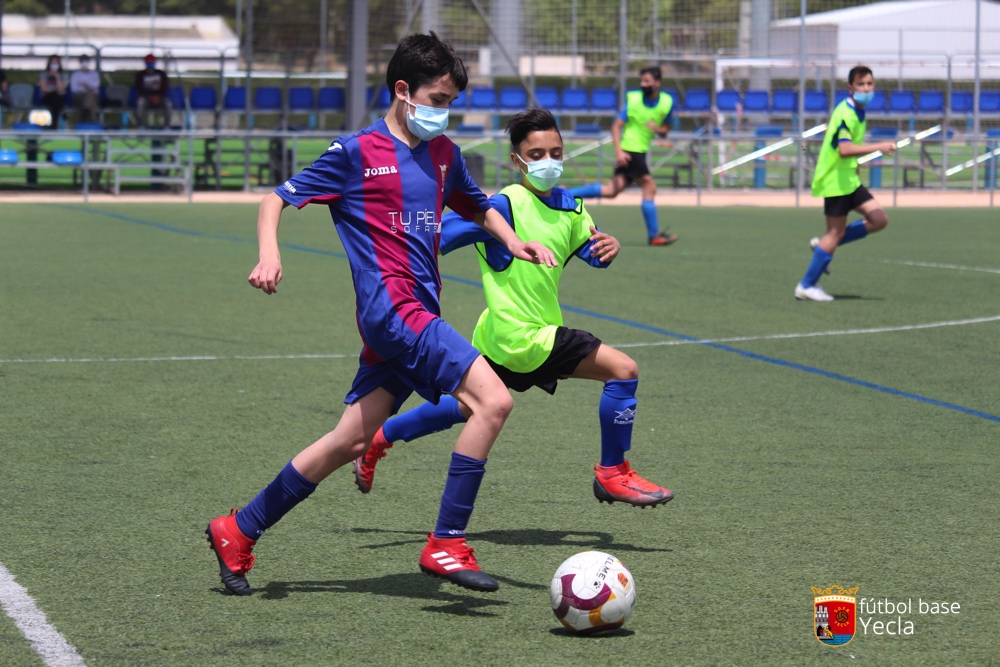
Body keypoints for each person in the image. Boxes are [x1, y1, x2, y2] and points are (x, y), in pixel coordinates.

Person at [205, 32, 556, 597]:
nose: (444, 112)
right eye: (437, 99)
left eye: (450, 103)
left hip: (414, 312)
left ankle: (238, 528)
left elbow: (477, 204)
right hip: (393, 311)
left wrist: (511, 239)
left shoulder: (444, 154)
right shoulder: (354, 153)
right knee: (493, 401)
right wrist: (269, 253)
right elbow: (276, 199)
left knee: (349, 441)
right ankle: (447, 539)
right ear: (403, 90)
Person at [353, 108, 674, 510]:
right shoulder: (502, 206)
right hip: (522, 337)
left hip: (503, 335)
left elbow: (593, 254)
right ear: (516, 160)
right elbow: (436, 236)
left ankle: (378, 439)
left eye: (555, 152)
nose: (548, 161)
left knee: (466, 406)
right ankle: (613, 473)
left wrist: (609, 248)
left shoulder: (571, 206)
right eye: (536, 154)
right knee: (623, 371)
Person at [795, 65, 896, 302]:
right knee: (835, 232)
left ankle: (823, 245)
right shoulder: (847, 114)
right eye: (861, 85)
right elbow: (844, 149)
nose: (866, 88)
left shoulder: (857, 110)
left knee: (878, 219)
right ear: (850, 88)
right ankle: (806, 286)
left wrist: (857, 163)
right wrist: (878, 146)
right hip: (835, 181)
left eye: (869, 84)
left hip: (848, 179)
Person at [569, 66, 678, 246]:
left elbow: (665, 130)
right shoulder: (634, 100)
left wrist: (658, 129)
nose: (643, 84)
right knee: (649, 187)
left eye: (647, 81)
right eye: (641, 81)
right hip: (630, 150)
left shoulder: (667, 102)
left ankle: (566, 195)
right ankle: (654, 236)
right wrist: (619, 151)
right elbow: (616, 126)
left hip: (639, 151)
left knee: (611, 191)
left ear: (657, 83)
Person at [134, 53, 172, 128]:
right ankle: (141, 126)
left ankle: (166, 126)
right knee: (140, 103)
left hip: (159, 98)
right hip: (146, 99)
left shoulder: (161, 74)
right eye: (149, 62)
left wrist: (158, 97)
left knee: (168, 104)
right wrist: (150, 97)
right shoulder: (140, 75)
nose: (150, 64)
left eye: (152, 62)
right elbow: (140, 89)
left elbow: (164, 87)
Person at [38, 55, 66, 129]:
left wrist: (57, 77)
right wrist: (55, 90)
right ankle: (62, 112)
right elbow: (44, 89)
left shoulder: (62, 75)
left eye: (56, 63)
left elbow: (62, 90)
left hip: (57, 99)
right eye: (53, 62)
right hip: (46, 97)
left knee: (56, 99)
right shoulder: (44, 74)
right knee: (56, 97)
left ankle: (54, 125)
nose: (54, 65)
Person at [70, 55, 100, 124]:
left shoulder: (94, 74)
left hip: (93, 96)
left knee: (90, 98)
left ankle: (85, 117)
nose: (85, 63)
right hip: (79, 97)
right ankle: (92, 122)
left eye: (86, 61)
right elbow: (74, 89)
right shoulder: (75, 75)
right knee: (90, 101)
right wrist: (87, 88)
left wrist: (83, 85)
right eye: (83, 61)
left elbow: (95, 86)